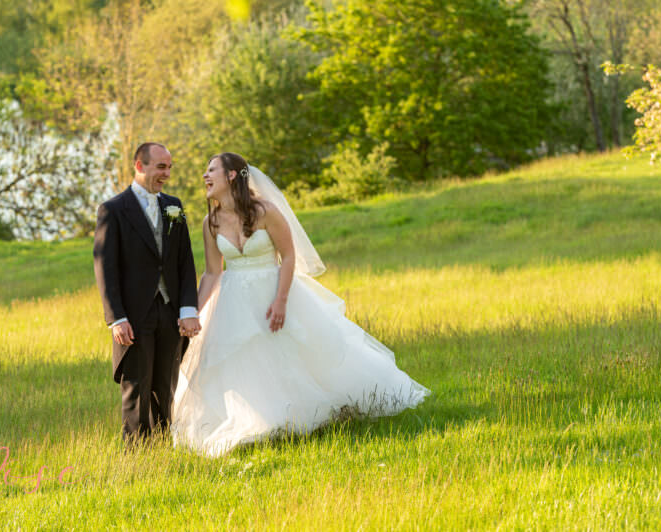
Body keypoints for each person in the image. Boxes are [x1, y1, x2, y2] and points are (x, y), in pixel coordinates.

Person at [171, 152, 429, 457]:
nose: (205, 175)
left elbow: (289, 255)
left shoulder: (265, 211)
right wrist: (194, 315)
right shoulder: (210, 222)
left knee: (291, 354)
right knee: (246, 362)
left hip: (274, 290)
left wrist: (280, 300)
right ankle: (264, 420)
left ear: (230, 176)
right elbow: (213, 272)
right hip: (234, 300)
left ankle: (310, 413)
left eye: (211, 169)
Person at [94, 142, 201, 444]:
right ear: (140, 166)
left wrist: (188, 309)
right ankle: (136, 456)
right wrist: (117, 318)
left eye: (169, 167)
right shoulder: (113, 210)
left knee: (166, 386)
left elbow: (184, 260)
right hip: (134, 315)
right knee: (137, 388)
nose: (166, 173)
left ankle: (165, 449)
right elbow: (106, 268)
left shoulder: (173, 206)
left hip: (169, 312)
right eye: (160, 167)